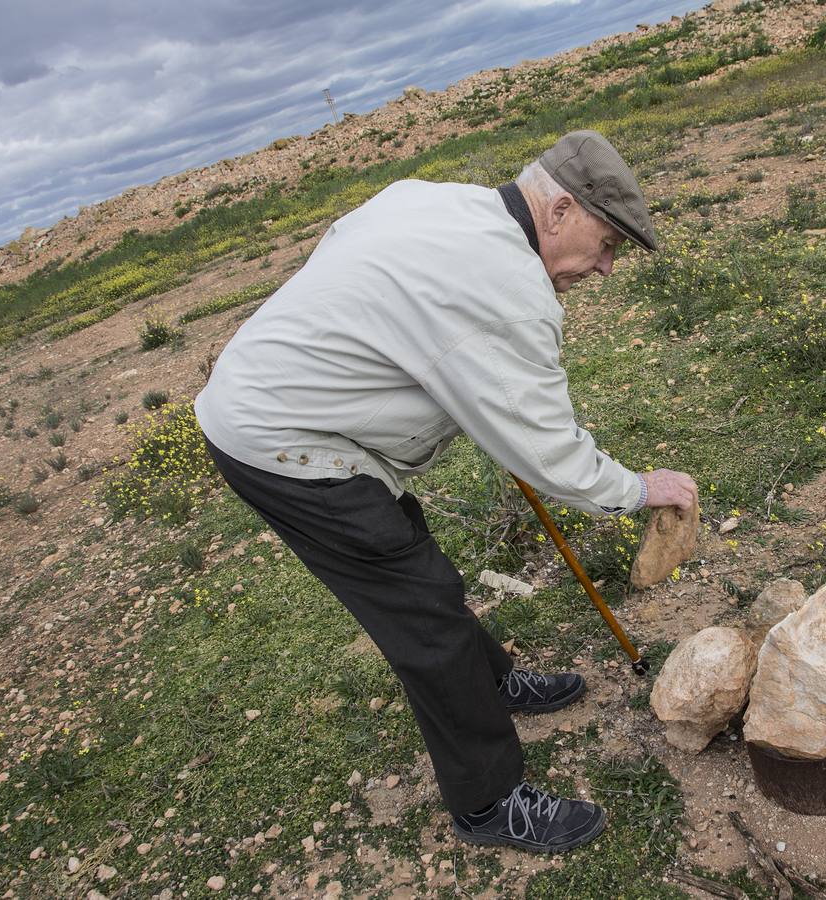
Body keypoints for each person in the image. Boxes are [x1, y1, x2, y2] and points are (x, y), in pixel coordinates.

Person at [194, 129, 698, 854]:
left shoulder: (439, 201)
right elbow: (553, 453)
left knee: (415, 565)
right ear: (559, 210)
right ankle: (488, 802)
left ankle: (492, 684)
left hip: (282, 405)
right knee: (421, 611)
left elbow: (343, 243)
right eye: (608, 242)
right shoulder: (507, 289)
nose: (608, 267)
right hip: (283, 441)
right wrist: (639, 488)